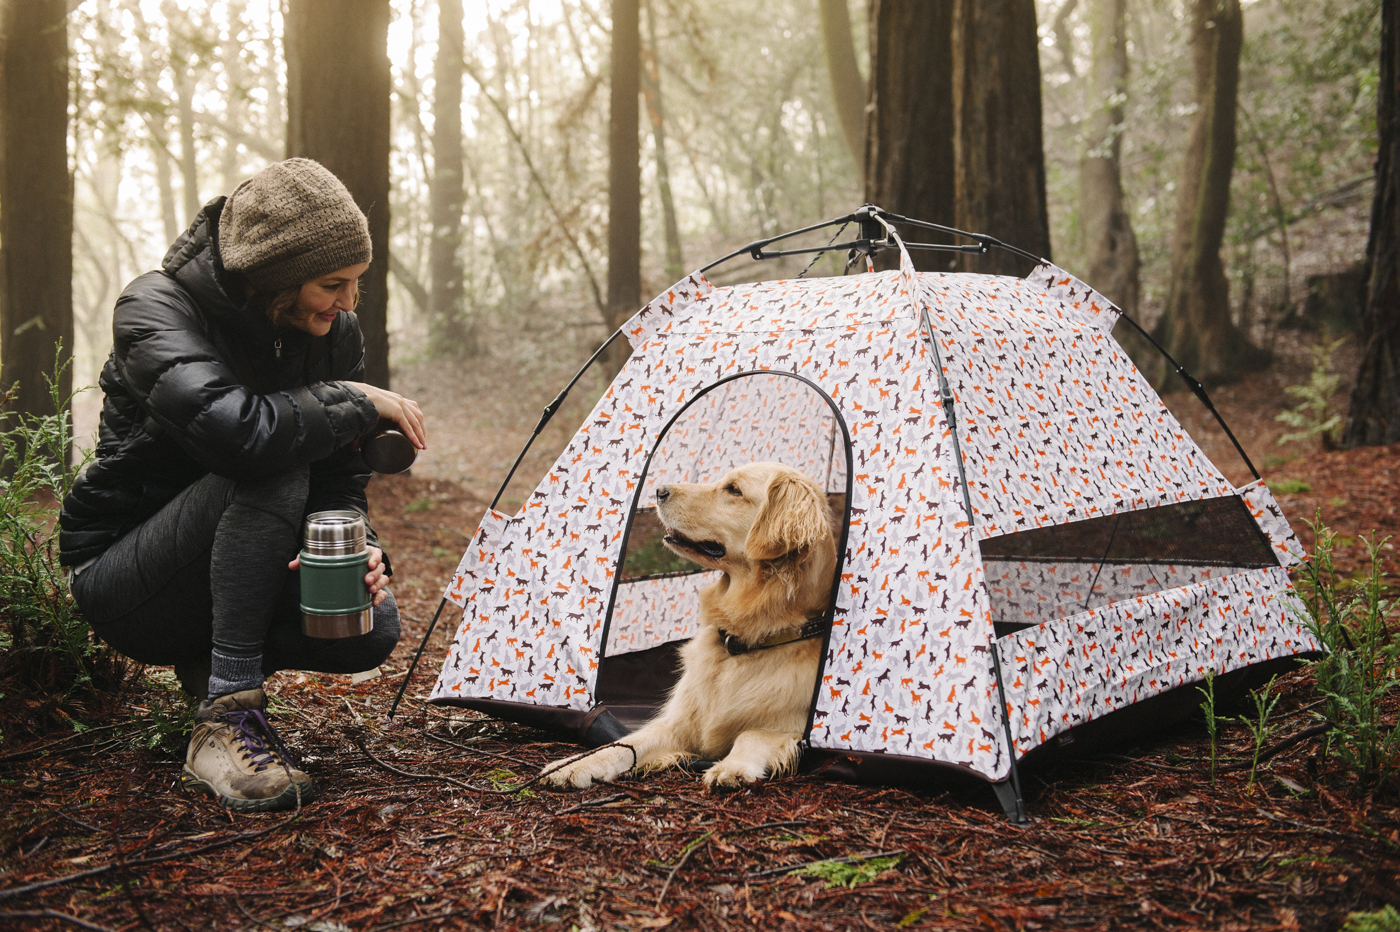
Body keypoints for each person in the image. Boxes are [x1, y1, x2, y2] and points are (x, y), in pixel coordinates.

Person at [59, 159, 426, 813]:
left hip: (228, 552)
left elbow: (340, 476)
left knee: (368, 626)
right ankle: (227, 717)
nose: (347, 304)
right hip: (124, 572)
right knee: (274, 464)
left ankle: (210, 668)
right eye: (331, 284)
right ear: (275, 275)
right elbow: (238, 436)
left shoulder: (332, 332)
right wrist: (351, 398)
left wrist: (358, 545)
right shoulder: (154, 308)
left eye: (355, 284)